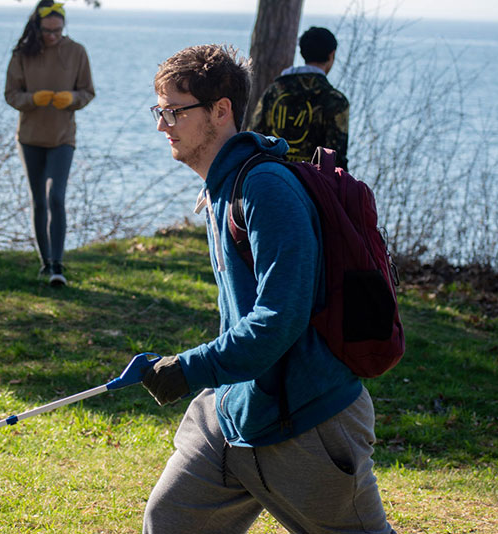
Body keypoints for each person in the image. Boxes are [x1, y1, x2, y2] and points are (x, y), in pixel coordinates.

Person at [141, 44, 394, 534]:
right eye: (160, 110)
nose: (162, 125)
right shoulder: (221, 186)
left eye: (174, 111)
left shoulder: (264, 189)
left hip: (307, 421)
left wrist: (191, 368)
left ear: (220, 110)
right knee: (171, 521)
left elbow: (280, 315)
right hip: (234, 411)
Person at [5, 1, 95, 286]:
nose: (52, 35)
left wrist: (73, 99)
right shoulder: (22, 55)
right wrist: (32, 100)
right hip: (30, 138)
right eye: (47, 30)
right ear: (37, 26)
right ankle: (45, 263)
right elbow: (11, 95)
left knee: (56, 197)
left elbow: (88, 91)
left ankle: (58, 265)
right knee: (39, 202)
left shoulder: (77, 52)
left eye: (57, 30)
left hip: (62, 139)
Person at [246, 27, 350, 169]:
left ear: (302, 53)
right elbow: (337, 160)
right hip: (313, 188)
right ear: (332, 55)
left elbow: (253, 139)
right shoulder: (336, 101)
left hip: (271, 179)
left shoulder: (273, 92)